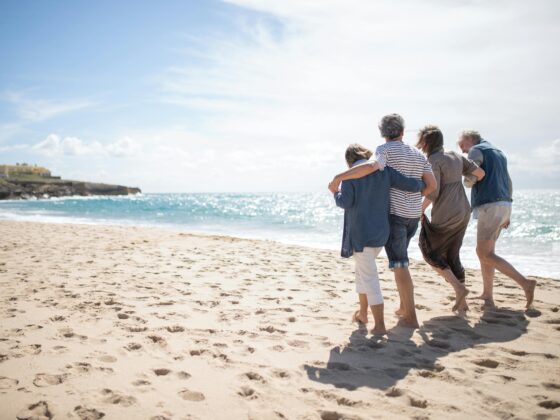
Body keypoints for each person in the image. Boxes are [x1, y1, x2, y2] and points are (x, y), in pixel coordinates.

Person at [329, 114, 436, 328]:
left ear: (383, 133)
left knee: (391, 269)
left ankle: (396, 320)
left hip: (381, 225)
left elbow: (367, 174)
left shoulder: (377, 158)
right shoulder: (413, 156)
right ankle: (381, 311)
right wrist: (417, 196)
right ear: (403, 132)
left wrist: (339, 181)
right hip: (407, 220)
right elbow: (427, 185)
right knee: (383, 268)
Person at [458, 130, 537, 309]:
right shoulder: (498, 152)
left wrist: (463, 178)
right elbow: (508, 182)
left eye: (462, 146)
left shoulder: (476, 150)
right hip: (504, 204)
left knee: (484, 253)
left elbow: (471, 178)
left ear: (470, 139)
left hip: (490, 205)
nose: (463, 151)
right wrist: (508, 210)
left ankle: (525, 283)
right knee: (488, 252)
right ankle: (487, 294)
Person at [416, 125, 485, 312]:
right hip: (463, 211)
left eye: (421, 140)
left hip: (447, 213)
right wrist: (462, 182)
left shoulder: (432, 160)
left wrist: (418, 211)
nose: (420, 144)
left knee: (429, 251)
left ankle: (459, 288)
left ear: (426, 142)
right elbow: (480, 173)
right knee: (453, 254)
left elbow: (432, 192)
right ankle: (462, 304)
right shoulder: (455, 155)